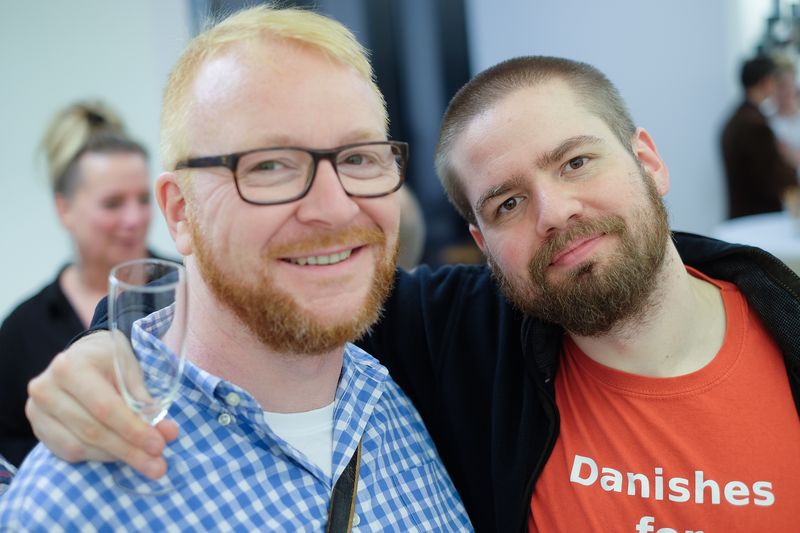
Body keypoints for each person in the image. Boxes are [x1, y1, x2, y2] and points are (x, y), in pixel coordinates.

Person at [21, 57, 800, 532]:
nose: (555, 211)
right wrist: (112, 343)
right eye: (507, 203)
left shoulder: (784, 330)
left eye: (575, 162)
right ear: (482, 242)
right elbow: (283, 282)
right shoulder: (460, 339)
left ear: (649, 161)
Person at [0, 7, 471, 532]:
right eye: (269, 165)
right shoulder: (75, 506)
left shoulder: (412, 404)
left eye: (359, 158)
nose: (336, 208)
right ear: (180, 211)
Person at [0, 101, 153, 466]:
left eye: (144, 199)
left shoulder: (189, 293)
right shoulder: (21, 330)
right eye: (113, 203)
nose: (135, 218)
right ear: (64, 209)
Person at [721, 55, 797, 218]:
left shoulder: (737, 119)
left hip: (744, 215)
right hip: (756, 217)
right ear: (766, 82)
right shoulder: (754, 125)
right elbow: (774, 177)